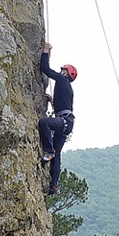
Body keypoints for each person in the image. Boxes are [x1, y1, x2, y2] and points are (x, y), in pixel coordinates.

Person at [37, 42, 76, 195]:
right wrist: (52, 102)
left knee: (44, 122)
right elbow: (63, 105)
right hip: (67, 122)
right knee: (58, 152)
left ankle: (48, 151)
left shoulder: (62, 80)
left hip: (64, 121)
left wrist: (46, 52)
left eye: (63, 70)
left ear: (67, 73)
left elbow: (45, 69)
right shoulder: (66, 87)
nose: (61, 72)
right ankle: (54, 185)